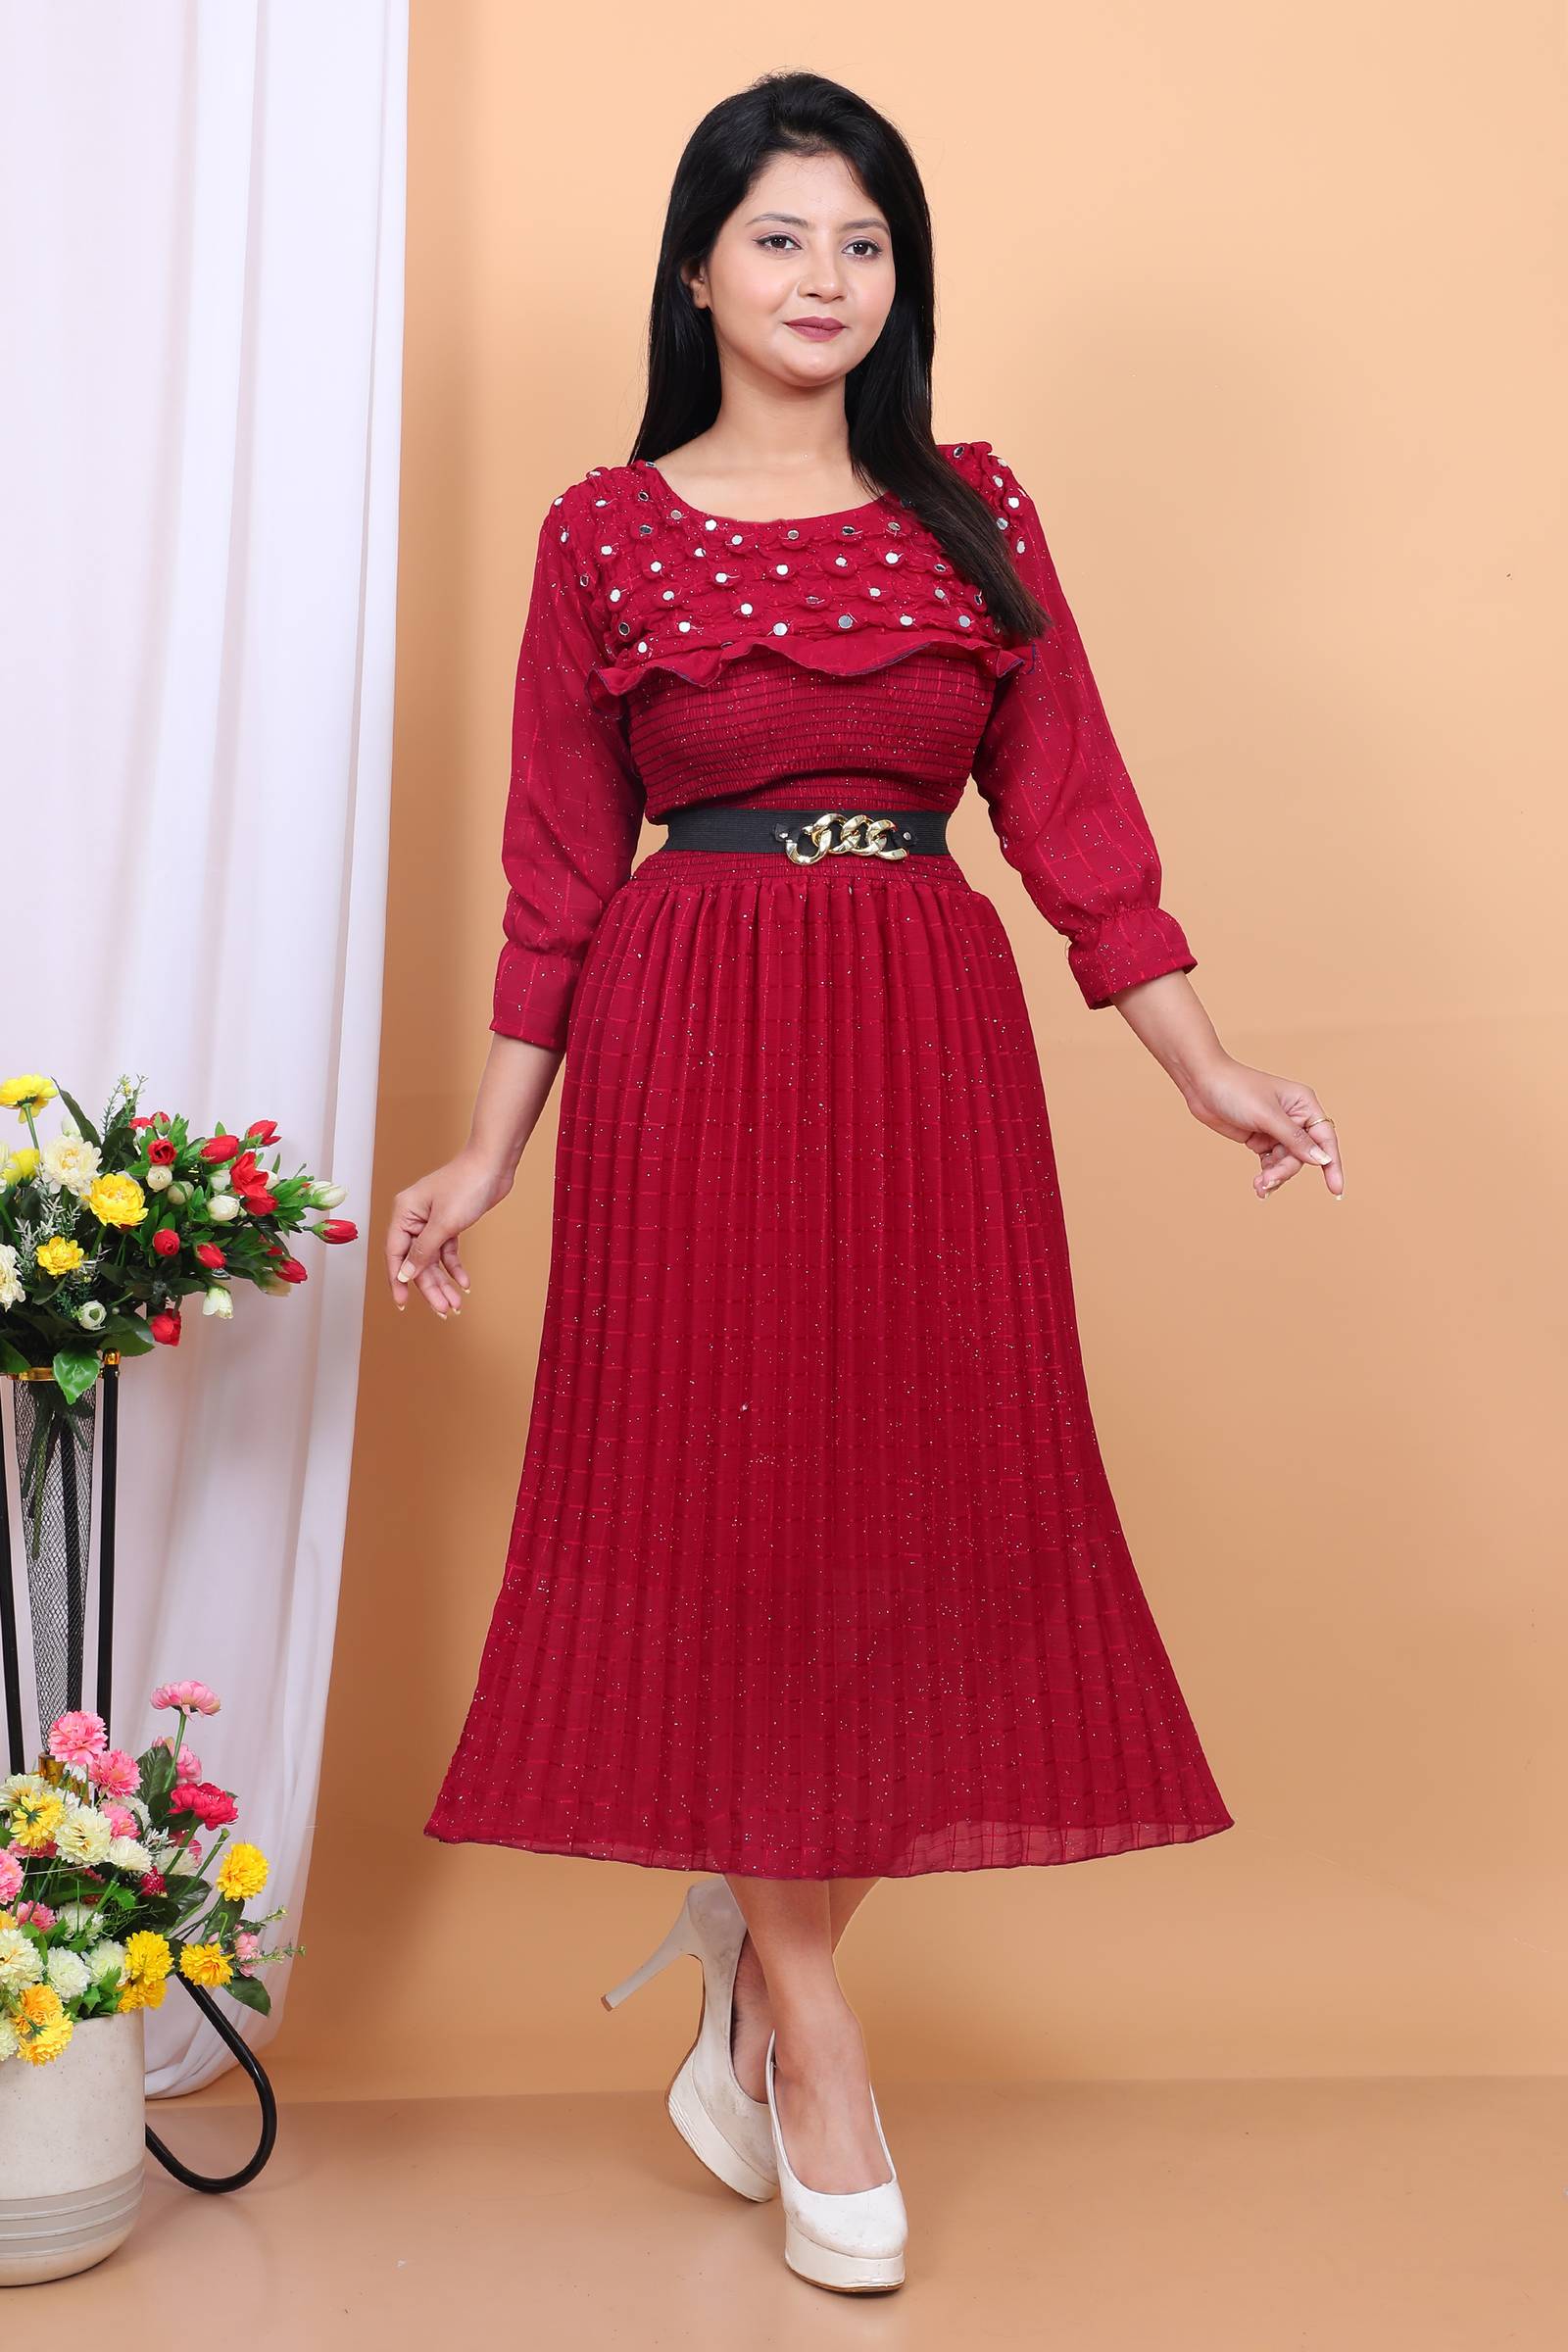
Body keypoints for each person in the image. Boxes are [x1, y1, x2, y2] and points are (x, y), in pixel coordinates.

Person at [387, 71, 1344, 2297]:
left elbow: (1074, 815)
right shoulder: (604, 533)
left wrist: (1205, 1070)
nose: (825, 278)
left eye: (864, 242)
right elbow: (557, 869)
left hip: (924, 1037)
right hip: (686, 1043)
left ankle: (747, 1962)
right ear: (694, 268)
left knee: (913, 1518)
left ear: (899, 281)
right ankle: (810, 2030)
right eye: (781, 235)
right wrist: (487, 1148)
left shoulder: (971, 507)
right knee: (722, 1517)